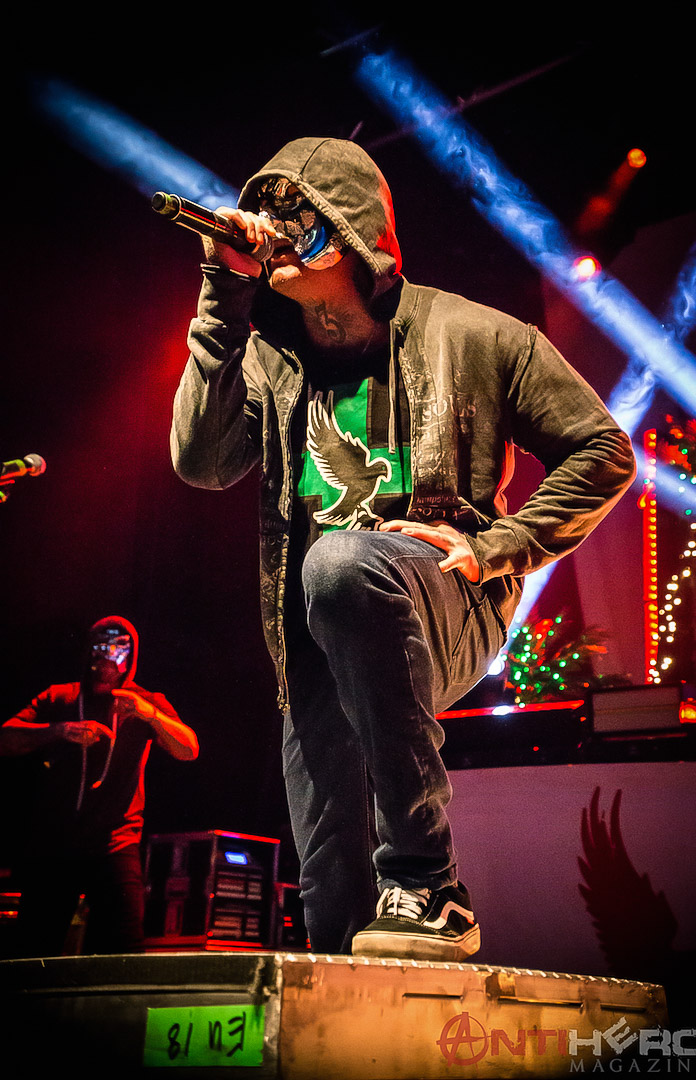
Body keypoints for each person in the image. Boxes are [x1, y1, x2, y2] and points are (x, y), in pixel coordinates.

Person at [170, 137, 635, 962]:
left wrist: (500, 546)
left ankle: (429, 881)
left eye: (292, 211)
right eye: (263, 210)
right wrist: (221, 297)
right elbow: (201, 465)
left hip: (442, 601)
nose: (270, 226)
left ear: (348, 228)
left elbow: (602, 449)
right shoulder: (272, 360)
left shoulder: (476, 334)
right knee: (336, 922)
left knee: (341, 564)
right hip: (317, 642)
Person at [0, 616, 198, 956]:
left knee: (122, 949)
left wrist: (150, 714)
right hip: (55, 842)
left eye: (118, 650)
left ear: (130, 657)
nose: (107, 659)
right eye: (101, 648)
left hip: (115, 842)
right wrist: (59, 730)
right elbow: (5, 739)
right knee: (34, 950)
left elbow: (189, 748)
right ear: (88, 652)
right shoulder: (61, 696)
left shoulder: (143, 700)